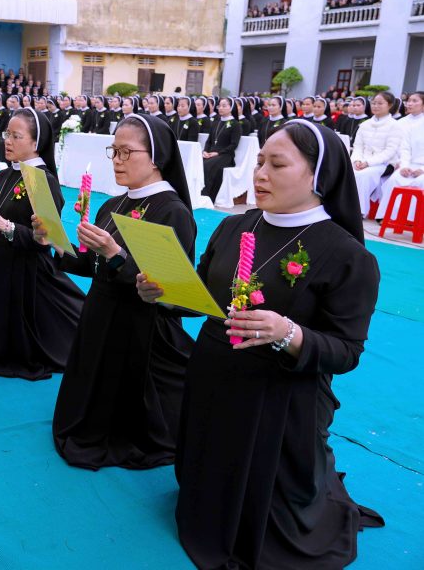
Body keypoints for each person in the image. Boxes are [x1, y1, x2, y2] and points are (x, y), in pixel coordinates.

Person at [139, 119, 384, 568]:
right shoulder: (235, 227)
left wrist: (288, 333)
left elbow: (346, 351)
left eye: (277, 164)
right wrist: (165, 293)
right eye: (258, 162)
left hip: (278, 400)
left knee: (265, 517)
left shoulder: (347, 256)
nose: (260, 174)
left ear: (318, 176)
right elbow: (205, 295)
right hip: (213, 378)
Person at [48, 114, 195, 470]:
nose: (116, 160)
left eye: (126, 152)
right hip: (101, 317)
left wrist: (117, 255)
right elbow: (94, 266)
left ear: (156, 157)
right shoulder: (112, 205)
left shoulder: (172, 211)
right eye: (113, 151)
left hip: (139, 330)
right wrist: (56, 244)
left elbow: (169, 290)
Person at [0, 108, 84, 380]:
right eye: (6, 134)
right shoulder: (4, 175)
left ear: (36, 142)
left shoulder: (42, 181)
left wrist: (6, 226)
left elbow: (44, 241)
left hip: (25, 273)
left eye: (16, 136)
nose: (7, 141)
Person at [351, 91, 401, 216]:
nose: (375, 106)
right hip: (362, 162)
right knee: (347, 172)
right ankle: (344, 207)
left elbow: (390, 151)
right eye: (373, 103)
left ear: (390, 105)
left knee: (363, 175)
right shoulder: (364, 125)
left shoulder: (395, 126)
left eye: (380, 103)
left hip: (385, 164)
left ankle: (360, 211)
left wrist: (368, 163)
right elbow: (358, 147)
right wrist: (357, 160)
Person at [376, 91, 424, 222]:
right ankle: (388, 216)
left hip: (422, 167)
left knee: (421, 182)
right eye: (409, 100)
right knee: (394, 180)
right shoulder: (402, 122)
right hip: (407, 163)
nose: (410, 103)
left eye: (415, 101)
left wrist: (422, 170)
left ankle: (413, 220)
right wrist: (404, 166)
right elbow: (404, 148)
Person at [201, 97, 242, 201]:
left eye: (224, 106)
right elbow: (209, 141)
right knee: (197, 163)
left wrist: (218, 153)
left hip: (226, 156)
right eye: (219, 106)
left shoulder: (235, 124)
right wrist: (205, 151)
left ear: (231, 108)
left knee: (207, 166)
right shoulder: (216, 122)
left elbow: (233, 145)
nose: (220, 108)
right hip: (211, 154)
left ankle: (206, 196)